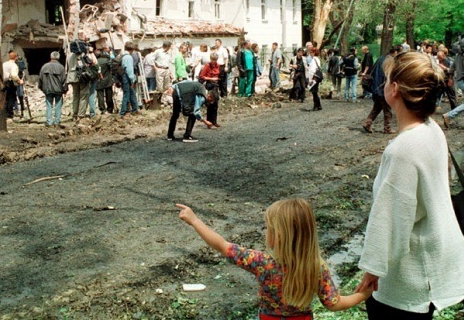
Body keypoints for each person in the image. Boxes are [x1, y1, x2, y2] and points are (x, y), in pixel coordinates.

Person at [356, 51, 464, 319]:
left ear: (394, 89)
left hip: (405, 282)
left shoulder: (403, 150)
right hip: (431, 265)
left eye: (388, 77)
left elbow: (391, 221)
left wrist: (371, 272)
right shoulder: (432, 128)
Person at [176, 198, 372, 318]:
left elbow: (222, 245)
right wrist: (363, 295)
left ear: (279, 236)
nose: (266, 231)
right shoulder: (316, 267)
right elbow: (333, 304)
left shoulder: (261, 263)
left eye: (269, 228)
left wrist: (195, 221)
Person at [362, 46, 399, 134]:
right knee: (387, 110)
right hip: (383, 88)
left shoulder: (380, 58)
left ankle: (367, 123)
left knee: (377, 107)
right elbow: (388, 75)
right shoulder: (390, 61)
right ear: (395, 52)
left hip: (375, 87)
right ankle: (387, 128)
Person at [38, 51, 66, 127]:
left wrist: (41, 88)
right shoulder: (61, 67)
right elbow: (64, 80)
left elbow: (40, 78)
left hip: (47, 89)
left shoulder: (44, 66)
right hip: (58, 90)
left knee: (49, 105)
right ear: (58, 58)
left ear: (51, 57)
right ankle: (57, 122)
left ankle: (49, 122)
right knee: (58, 105)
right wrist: (65, 90)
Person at [443, 46, 464, 128]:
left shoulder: (458, 56)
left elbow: (451, 69)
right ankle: (449, 115)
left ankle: (449, 115)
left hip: (460, 81)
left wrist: (450, 79)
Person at [199, 52, 221, 128]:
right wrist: (211, 78)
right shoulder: (207, 66)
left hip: (216, 85)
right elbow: (202, 76)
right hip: (210, 84)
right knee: (210, 103)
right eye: (213, 60)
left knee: (215, 104)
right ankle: (209, 122)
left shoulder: (218, 65)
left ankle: (214, 121)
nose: (214, 61)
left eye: (215, 60)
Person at [119, 41, 139, 118]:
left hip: (124, 76)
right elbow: (129, 70)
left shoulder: (122, 56)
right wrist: (132, 80)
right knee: (127, 94)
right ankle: (122, 112)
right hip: (127, 77)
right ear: (132, 49)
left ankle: (135, 109)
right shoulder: (128, 57)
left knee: (131, 93)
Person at [2, 50, 23, 119]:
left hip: (3, 82)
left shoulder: (4, 64)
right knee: (12, 98)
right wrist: (19, 81)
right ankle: (9, 114)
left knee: (5, 98)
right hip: (10, 82)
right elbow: (14, 75)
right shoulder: (14, 65)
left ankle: (4, 113)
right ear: (16, 58)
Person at [96, 49, 114, 114]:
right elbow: (111, 67)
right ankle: (110, 109)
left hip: (98, 81)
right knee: (109, 95)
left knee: (100, 96)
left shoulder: (95, 62)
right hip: (108, 80)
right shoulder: (106, 60)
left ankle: (102, 110)